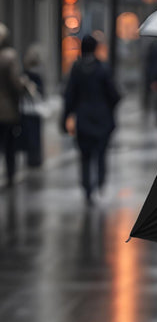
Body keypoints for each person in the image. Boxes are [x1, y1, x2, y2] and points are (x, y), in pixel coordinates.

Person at [63, 35, 121, 204]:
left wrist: (66, 116)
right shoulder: (103, 69)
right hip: (101, 118)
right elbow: (114, 94)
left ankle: (87, 187)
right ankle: (100, 180)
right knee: (101, 152)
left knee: (85, 155)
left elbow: (69, 95)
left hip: (83, 118)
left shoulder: (76, 69)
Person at [0, 24, 27, 186]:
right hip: (7, 109)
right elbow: (15, 82)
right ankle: (10, 175)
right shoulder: (9, 57)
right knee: (10, 145)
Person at [19, 44, 46, 168]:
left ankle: (33, 159)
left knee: (31, 135)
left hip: (28, 109)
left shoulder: (29, 74)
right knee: (34, 135)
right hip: (33, 109)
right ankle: (35, 158)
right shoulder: (35, 74)